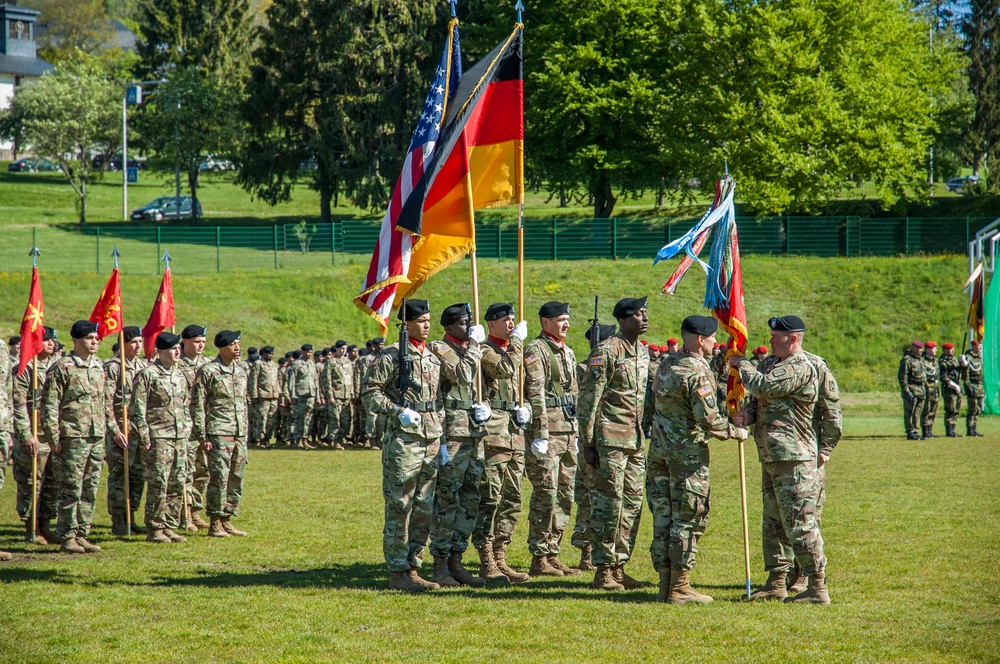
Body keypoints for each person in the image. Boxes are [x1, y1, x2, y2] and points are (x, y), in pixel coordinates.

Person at [731, 315, 830, 604]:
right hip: (771, 455)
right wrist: (746, 415)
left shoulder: (800, 366)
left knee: (800, 523)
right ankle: (776, 581)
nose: (771, 339)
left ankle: (817, 586)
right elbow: (757, 400)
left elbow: (764, 387)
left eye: (777, 336)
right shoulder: (769, 363)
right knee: (773, 522)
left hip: (795, 457)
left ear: (793, 339)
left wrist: (743, 364)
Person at [648, 315, 747, 603]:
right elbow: (709, 419)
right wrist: (735, 431)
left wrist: (724, 357)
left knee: (663, 519)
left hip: (659, 453)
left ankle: (665, 585)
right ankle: (680, 588)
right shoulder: (695, 373)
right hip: (686, 457)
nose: (716, 342)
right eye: (713, 338)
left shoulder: (668, 363)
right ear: (701, 340)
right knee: (688, 517)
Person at [362, 299, 445, 593]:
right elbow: (370, 394)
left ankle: (414, 565)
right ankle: (398, 570)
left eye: (428, 320)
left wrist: (442, 434)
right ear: (406, 324)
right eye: (421, 321)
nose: (426, 325)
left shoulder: (433, 356)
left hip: (431, 437)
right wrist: (397, 411)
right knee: (400, 505)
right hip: (403, 440)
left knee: (424, 506)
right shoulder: (391, 356)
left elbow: (439, 398)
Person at [578, 297, 653, 591]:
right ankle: (603, 570)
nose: (644, 317)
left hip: (635, 441)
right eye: (637, 314)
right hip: (609, 441)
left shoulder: (642, 352)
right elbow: (589, 399)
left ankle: (620, 566)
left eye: (645, 313)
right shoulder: (607, 351)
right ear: (623, 320)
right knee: (609, 505)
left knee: (632, 505)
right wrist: (587, 443)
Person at [43, 321, 126, 554]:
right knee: (71, 487)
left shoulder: (98, 366)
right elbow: (50, 404)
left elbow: (106, 403)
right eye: (90, 338)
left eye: (96, 338)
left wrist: (113, 429)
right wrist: (53, 436)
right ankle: (67, 536)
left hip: (96, 436)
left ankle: (82, 533)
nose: (95, 342)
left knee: (89, 487)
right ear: (77, 340)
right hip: (72, 437)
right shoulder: (63, 367)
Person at [427, 303, 491, 588]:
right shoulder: (440, 349)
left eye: (470, 322)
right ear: (449, 326)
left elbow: (479, 387)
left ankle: (457, 558)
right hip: (451, 434)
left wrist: (485, 407)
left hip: (473, 433)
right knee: (447, 500)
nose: (468, 327)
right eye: (464, 323)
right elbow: (461, 375)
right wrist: (476, 345)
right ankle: (439, 564)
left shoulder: (469, 351)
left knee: (470, 498)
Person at [471, 303, 531, 584]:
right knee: (490, 498)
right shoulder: (486, 351)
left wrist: (526, 408)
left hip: (514, 434)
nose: (510, 323)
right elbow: (506, 370)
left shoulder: (514, 352)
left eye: (512, 319)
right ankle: (486, 560)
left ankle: (501, 556)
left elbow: (523, 388)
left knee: (513, 499)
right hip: (494, 434)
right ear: (490, 324)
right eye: (504, 320)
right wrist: (518, 341)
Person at [523, 301, 580, 577]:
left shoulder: (567, 351)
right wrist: (540, 434)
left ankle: (553, 550)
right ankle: (539, 556)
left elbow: (574, 393)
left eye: (567, 319)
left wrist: (577, 430)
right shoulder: (537, 350)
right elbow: (535, 394)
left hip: (568, 431)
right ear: (545, 322)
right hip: (548, 435)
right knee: (546, 494)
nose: (566, 324)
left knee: (566, 495)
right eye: (560, 320)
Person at [131, 332, 190, 543]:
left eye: (178, 348)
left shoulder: (180, 375)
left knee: (177, 482)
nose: (177, 351)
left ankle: (170, 525)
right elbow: (137, 407)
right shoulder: (148, 374)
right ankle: (155, 527)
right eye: (173, 348)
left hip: (179, 437)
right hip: (158, 437)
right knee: (159, 483)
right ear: (161, 351)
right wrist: (144, 436)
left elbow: (185, 405)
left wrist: (188, 428)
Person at [193, 330, 250, 537]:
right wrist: (202, 436)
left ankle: (227, 518)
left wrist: (244, 433)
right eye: (233, 344)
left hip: (238, 432)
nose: (237, 347)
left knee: (236, 478)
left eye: (238, 343)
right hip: (218, 432)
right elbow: (198, 404)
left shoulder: (241, 372)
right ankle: (215, 522)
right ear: (221, 347)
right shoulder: (208, 371)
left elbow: (244, 404)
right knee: (219, 478)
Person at [571, 322, 616, 571]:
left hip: (610, 437)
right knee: (588, 496)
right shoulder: (582, 370)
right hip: (590, 438)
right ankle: (586, 550)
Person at [12, 326, 60, 546]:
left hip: (53, 435)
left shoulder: (56, 367)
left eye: (52, 341)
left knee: (52, 482)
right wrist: (26, 434)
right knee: (33, 482)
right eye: (47, 340)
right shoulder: (24, 369)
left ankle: (45, 525)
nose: (51, 343)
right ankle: (30, 528)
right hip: (34, 435)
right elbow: (19, 405)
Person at [104, 325, 148, 536]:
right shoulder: (114, 367)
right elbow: (105, 402)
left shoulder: (143, 366)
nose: (138, 345)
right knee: (120, 476)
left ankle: (132, 515)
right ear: (123, 344)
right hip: (121, 430)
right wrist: (114, 429)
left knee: (138, 475)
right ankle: (119, 520)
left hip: (139, 430)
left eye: (140, 341)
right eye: (133, 342)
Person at [179, 324, 210, 530]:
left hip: (205, 425)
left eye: (203, 342)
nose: (201, 346)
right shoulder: (177, 364)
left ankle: (196, 510)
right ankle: (184, 514)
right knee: (186, 471)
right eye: (197, 341)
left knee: (203, 471)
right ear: (186, 342)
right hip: (185, 424)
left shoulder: (208, 365)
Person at [322, 340, 354, 449]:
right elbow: (327, 380)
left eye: (345, 348)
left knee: (346, 420)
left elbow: (351, 378)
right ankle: (333, 440)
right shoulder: (331, 362)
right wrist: (330, 395)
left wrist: (352, 393)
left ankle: (341, 439)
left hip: (347, 395)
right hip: (336, 395)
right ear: (336, 349)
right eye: (341, 348)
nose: (343, 350)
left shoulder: (348, 362)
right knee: (335, 418)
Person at [249, 346, 280, 448]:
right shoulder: (258, 363)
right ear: (263, 353)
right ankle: (259, 439)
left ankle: (267, 439)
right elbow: (254, 380)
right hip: (263, 395)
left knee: (271, 418)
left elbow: (276, 380)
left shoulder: (273, 365)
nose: (270, 355)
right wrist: (254, 395)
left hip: (273, 395)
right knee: (262, 418)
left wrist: (278, 392)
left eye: (272, 353)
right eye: (269, 353)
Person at [290, 344, 319, 449]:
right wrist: (292, 395)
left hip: (311, 394)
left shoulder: (312, 364)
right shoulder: (296, 364)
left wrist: (318, 396)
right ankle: (297, 440)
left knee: (308, 418)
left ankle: (305, 439)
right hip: (300, 395)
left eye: (311, 352)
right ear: (302, 352)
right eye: (307, 352)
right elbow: (292, 381)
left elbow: (316, 381)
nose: (310, 354)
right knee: (299, 418)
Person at [898, 340, 927, 440]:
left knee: (917, 412)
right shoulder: (907, 360)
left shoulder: (920, 360)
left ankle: (915, 430)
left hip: (920, 391)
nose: (921, 350)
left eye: (922, 348)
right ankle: (910, 431)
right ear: (913, 348)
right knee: (909, 412)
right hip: (911, 390)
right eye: (919, 348)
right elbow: (903, 377)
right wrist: (907, 391)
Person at [938, 343, 963, 438]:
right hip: (949, 389)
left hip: (957, 387)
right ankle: (949, 430)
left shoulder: (955, 360)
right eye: (949, 349)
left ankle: (953, 428)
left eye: (952, 349)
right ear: (944, 350)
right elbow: (943, 376)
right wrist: (953, 385)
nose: (951, 351)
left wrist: (963, 364)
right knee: (950, 409)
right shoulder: (943, 361)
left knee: (956, 409)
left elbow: (961, 372)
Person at [962, 339, 985, 437]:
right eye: (978, 346)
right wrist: (968, 386)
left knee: (978, 409)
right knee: (972, 408)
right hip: (973, 385)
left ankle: (974, 428)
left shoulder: (979, 357)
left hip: (979, 386)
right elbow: (965, 375)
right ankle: (970, 429)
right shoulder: (968, 358)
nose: (979, 349)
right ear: (973, 346)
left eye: (980, 347)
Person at [920, 341, 940, 439]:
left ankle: (930, 430)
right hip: (927, 387)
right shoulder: (922, 360)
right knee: (926, 410)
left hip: (935, 388)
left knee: (933, 409)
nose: (935, 350)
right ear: (927, 349)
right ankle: (925, 430)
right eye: (933, 348)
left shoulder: (935, 360)